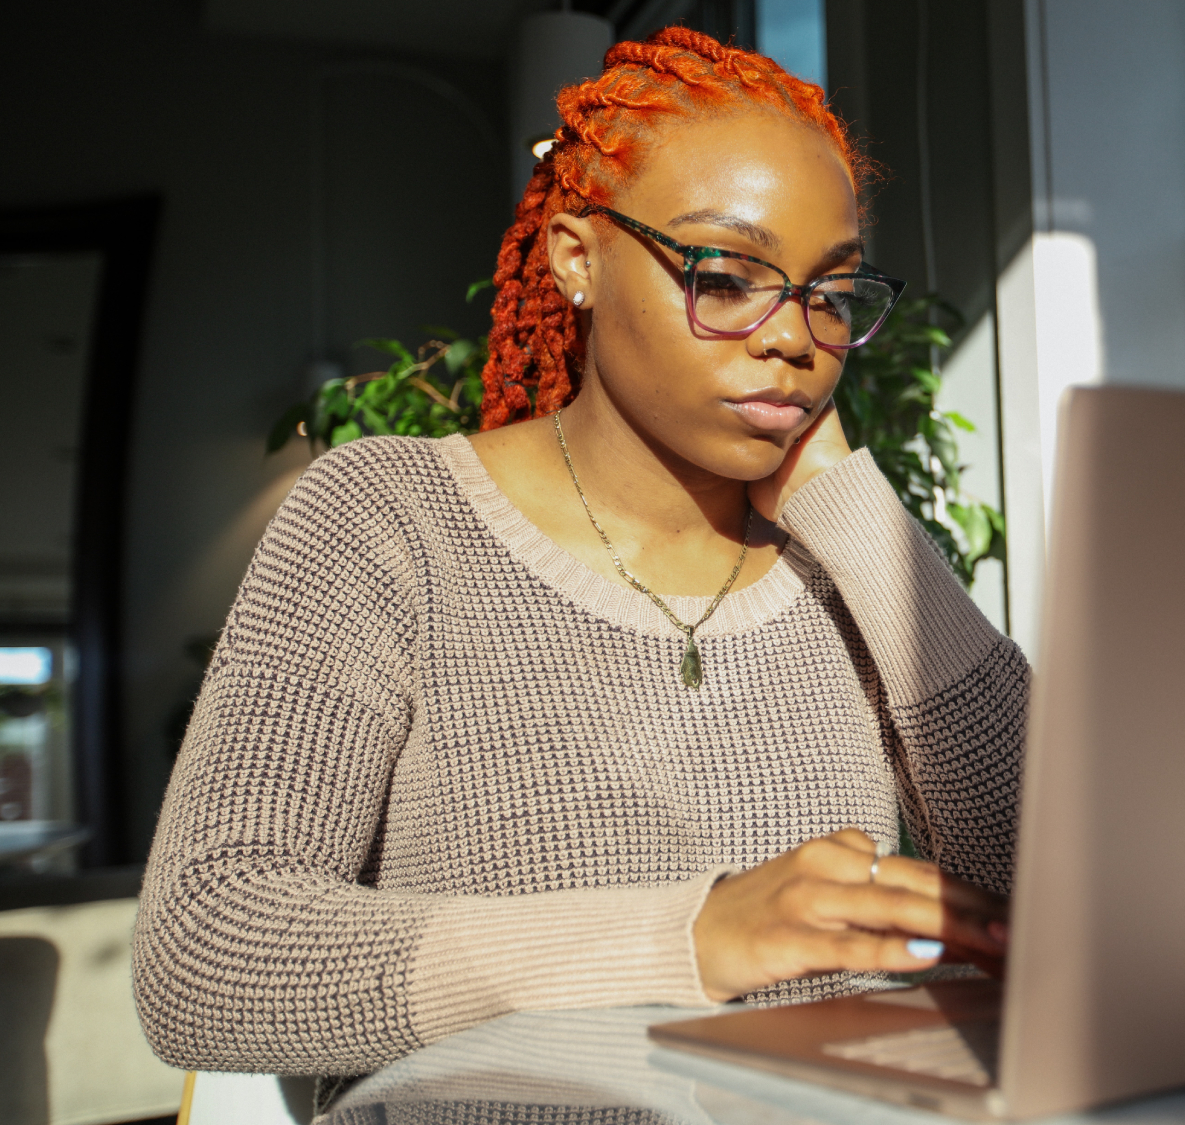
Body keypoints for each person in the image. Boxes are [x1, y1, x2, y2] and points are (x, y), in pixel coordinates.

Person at [132, 27, 1025, 1079]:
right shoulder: (388, 519)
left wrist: (857, 513)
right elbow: (206, 957)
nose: (792, 337)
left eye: (826, 294)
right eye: (727, 275)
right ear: (576, 258)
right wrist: (688, 941)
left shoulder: (847, 561)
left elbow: (1051, 897)